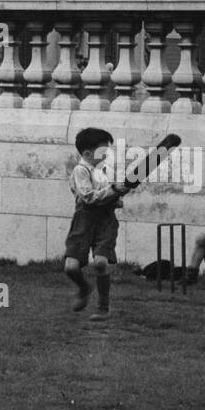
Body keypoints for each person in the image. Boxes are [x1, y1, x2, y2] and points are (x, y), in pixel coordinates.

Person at [63, 127, 126, 321]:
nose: (107, 155)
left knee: (100, 263)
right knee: (71, 267)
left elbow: (112, 196)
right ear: (88, 153)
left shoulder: (105, 170)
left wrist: (118, 195)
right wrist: (114, 190)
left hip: (106, 221)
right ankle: (84, 287)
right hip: (84, 220)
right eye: (103, 151)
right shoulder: (80, 171)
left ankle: (103, 307)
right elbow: (89, 197)